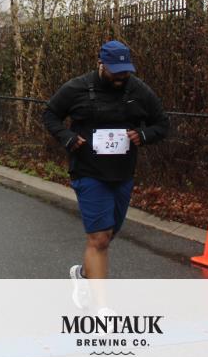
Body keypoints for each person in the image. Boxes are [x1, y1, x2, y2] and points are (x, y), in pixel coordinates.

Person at [42, 40, 169, 303]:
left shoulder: (138, 90)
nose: (121, 76)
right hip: (88, 171)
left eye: (126, 71)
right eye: (115, 71)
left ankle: (83, 275)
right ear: (100, 64)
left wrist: (144, 135)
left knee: (107, 235)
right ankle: (102, 308)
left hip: (122, 174)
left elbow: (162, 123)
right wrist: (67, 137)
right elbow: (50, 114)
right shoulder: (76, 88)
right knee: (99, 238)